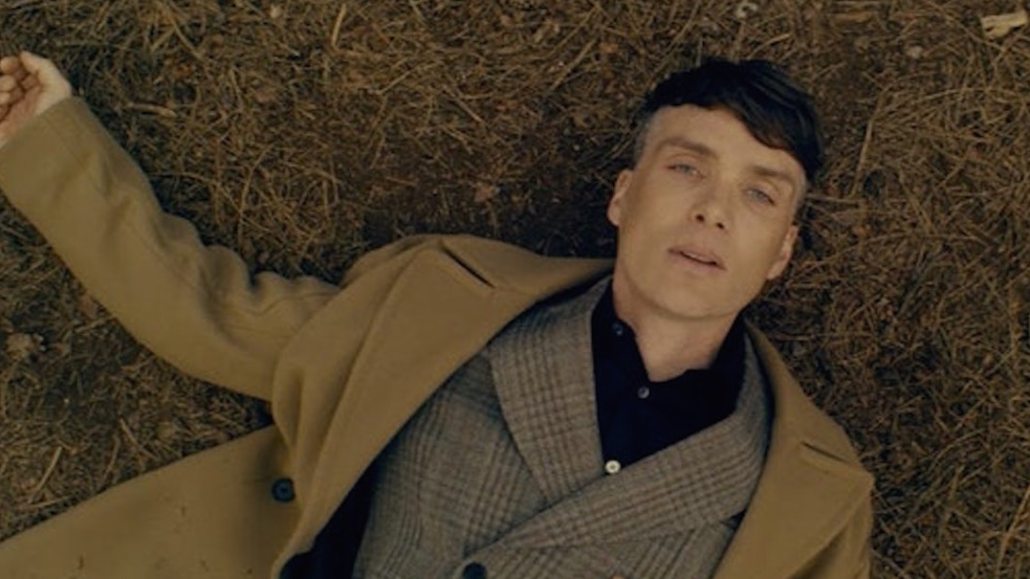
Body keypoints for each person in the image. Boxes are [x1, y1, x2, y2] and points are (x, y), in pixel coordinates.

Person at [0, 51, 873, 578]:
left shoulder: (805, 499)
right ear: (623, 196)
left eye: (760, 194)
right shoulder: (446, 313)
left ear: (782, 251)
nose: (713, 209)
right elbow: (212, 313)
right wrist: (44, 139)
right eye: (687, 167)